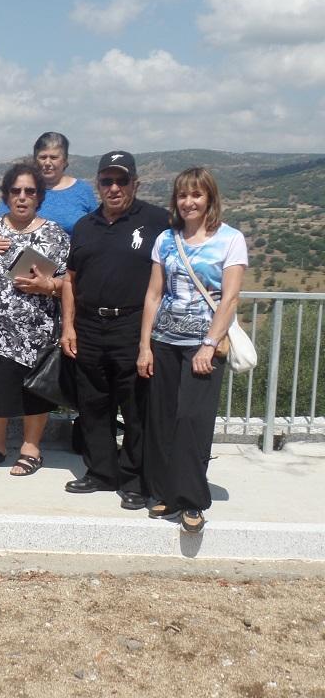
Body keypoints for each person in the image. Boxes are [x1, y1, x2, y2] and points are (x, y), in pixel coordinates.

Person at [138, 167, 247, 533]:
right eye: (183, 195)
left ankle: (193, 502)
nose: (189, 202)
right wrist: (144, 346)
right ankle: (168, 491)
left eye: (197, 195)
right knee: (163, 418)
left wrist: (209, 344)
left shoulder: (231, 239)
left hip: (204, 345)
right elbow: (154, 295)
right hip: (165, 341)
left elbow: (230, 298)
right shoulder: (165, 239)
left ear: (210, 198)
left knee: (192, 421)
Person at [60, 151, 170, 509]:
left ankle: (135, 479)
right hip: (89, 326)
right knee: (93, 405)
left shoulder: (157, 220)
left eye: (121, 180)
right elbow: (70, 280)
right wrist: (68, 327)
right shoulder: (85, 225)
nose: (114, 187)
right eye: (107, 181)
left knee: (136, 408)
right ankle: (101, 473)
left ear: (135, 183)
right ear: (98, 185)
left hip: (133, 326)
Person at [0, 163, 70, 476]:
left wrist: (48, 286)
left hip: (37, 330)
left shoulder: (54, 234)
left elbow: (69, 283)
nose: (22, 197)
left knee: (35, 392)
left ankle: (31, 448)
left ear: (39, 196)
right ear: (6, 195)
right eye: (15, 191)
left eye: (30, 191)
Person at [0, 131, 98, 240]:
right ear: (35, 160)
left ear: (65, 161)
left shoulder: (83, 190)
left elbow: (95, 229)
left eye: (53, 157)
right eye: (43, 157)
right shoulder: (20, 190)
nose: (47, 163)